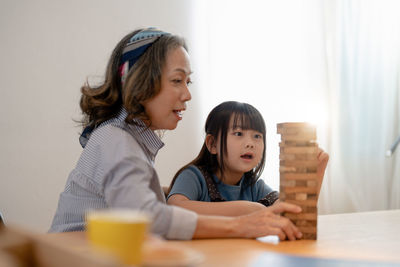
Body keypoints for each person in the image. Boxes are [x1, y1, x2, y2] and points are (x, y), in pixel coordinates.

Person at [49, 27, 303, 241]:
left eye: (187, 82)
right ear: (141, 82)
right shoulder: (116, 140)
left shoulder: (126, 140)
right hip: (75, 255)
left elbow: (130, 198)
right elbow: (147, 218)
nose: (187, 94)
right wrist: (240, 225)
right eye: (177, 81)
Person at [167, 101, 329, 216]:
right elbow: (175, 208)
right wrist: (246, 210)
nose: (250, 143)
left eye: (257, 136)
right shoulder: (194, 176)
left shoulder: (254, 186)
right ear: (213, 144)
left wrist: (316, 173)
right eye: (238, 134)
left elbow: (288, 212)